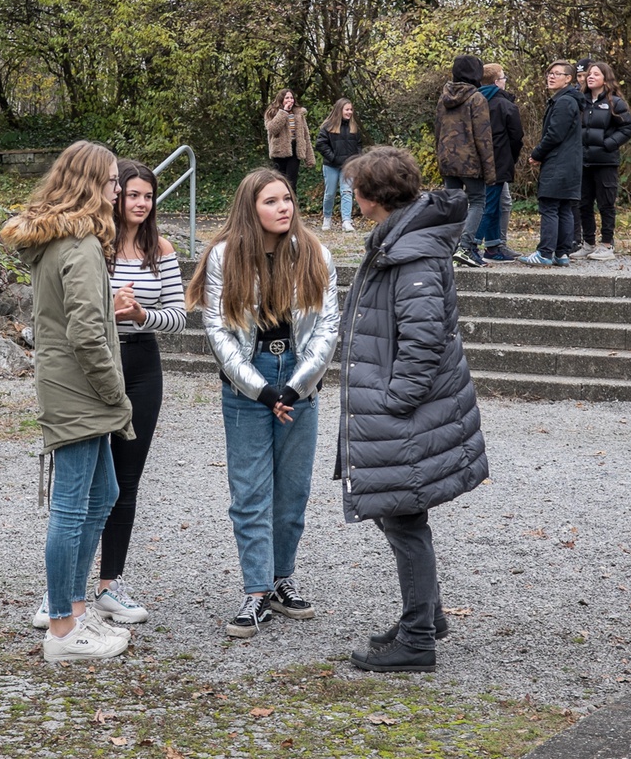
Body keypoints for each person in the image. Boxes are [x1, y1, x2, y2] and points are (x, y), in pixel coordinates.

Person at [337, 147, 489, 672]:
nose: (353, 196)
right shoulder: (400, 239)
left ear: (372, 196)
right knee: (397, 515)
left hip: (401, 411)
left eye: (355, 188)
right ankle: (428, 615)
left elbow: (423, 341)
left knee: (403, 520)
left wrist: (393, 402)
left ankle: (419, 638)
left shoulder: (413, 252)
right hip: (394, 407)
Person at [29, 158, 187, 630]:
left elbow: (178, 316)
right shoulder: (92, 243)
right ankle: (62, 596)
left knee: (121, 484)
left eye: (147, 195)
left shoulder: (160, 248)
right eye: (129, 192)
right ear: (111, 194)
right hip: (95, 366)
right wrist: (108, 315)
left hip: (141, 364)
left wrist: (140, 316)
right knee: (79, 492)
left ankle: (107, 584)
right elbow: (76, 318)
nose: (138, 202)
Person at [186, 169, 340, 639]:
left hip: (299, 376)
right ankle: (255, 591)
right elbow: (218, 333)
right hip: (246, 381)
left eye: (286, 198)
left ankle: (280, 580)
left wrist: (295, 387)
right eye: (270, 201)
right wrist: (264, 391)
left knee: (292, 491)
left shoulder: (315, 253)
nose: (283, 207)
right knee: (250, 492)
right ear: (250, 209)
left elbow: (328, 327)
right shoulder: (224, 256)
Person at [1, 141, 135, 662]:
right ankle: (62, 628)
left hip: (75, 388)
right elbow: (85, 332)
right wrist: (114, 392)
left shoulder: (66, 239)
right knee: (73, 507)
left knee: (103, 495)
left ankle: (76, 610)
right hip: (79, 391)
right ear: (90, 184)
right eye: (112, 180)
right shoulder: (79, 243)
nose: (118, 189)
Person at [519, 60, 584, 266]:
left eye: (557, 73)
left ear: (568, 79)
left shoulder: (564, 102)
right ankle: (561, 254)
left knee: (550, 206)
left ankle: (545, 253)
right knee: (564, 207)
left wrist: (537, 153)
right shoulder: (568, 100)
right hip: (569, 163)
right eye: (549, 73)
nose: (551, 77)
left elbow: (555, 134)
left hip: (559, 162)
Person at [435, 55, 497, 268]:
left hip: (447, 159)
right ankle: (465, 247)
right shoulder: (477, 98)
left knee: (454, 204)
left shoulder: (443, 97)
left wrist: (441, 157)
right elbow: (483, 137)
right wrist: (490, 171)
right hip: (470, 161)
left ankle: (452, 247)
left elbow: (437, 131)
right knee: (478, 200)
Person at [574, 61, 631, 261]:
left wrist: (608, 144)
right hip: (583, 161)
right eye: (589, 74)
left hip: (605, 162)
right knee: (583, 204)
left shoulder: (615, 102)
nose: (590, 77)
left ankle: (607, 245)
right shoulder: (580, 102)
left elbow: (627, 128)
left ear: (605, 79)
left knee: (606, 204)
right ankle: (588, 243)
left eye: (596, 74)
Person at [477, 64, 524, 262]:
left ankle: (493, 245)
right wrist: (511, 158)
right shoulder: (505, 105)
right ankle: (469, 245)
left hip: (477, 162)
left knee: (496, 203)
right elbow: (516, 136)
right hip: (498, 162)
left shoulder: (473, 102)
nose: (505, 81)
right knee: (489, 206)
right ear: (497, 82)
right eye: (504, 78)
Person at [315, 98, 363, 231]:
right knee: (330, 193)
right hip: (331, 166)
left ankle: (346, 221)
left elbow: (359, 145)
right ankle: (327, 217)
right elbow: (321, 144)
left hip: (348, 166)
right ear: (339, 110)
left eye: (351, 109)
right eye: (347, 109)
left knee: (347, 191)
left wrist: (357, 159)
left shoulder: (354, 127)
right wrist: (333, 158)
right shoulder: (328, 126)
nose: (349, 112)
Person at [264, 89, 315, 193]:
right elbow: (272, 129)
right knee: (280, 182)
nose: (290, 100)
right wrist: (284, 112)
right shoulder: (272, 112)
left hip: (294, 150)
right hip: (279, 151)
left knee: (291, 183)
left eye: (291, 98)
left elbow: (305, 135)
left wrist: (310, 158)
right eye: (287, 98)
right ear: (281, 99)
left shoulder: (298, 114)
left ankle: (292, 203)